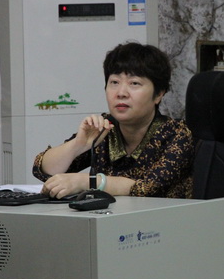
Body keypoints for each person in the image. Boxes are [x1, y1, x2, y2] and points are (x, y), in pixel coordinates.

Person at [33, 42, 194, 199]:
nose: (121, 93)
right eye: (114, 82)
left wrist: (88, 182)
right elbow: (43, 170)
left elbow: (147, 188)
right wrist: (78, 145)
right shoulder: (105, 127)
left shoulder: (177, 134)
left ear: (159, 94)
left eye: (134, 83)